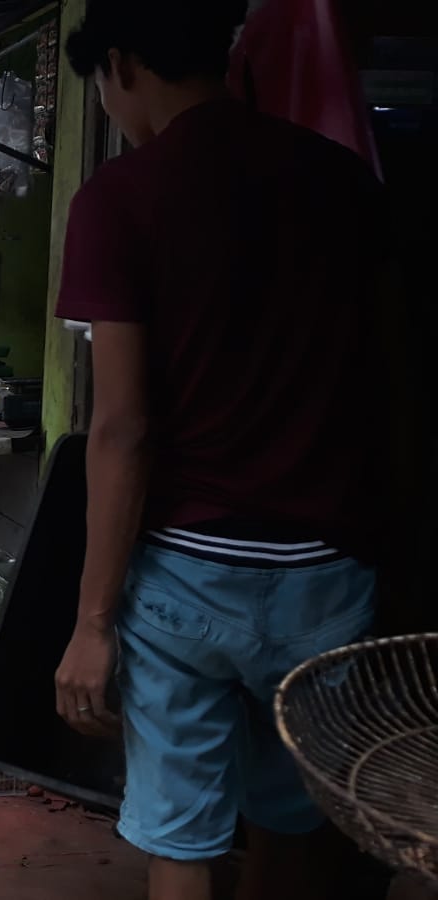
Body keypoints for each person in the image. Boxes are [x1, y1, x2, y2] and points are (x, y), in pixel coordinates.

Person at [50, 4, 387, 900]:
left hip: (186, 579)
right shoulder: (342, 181)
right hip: (328, 573)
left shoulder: (119, 199)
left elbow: (123, 426)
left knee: (183, 842)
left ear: (121, 65)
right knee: (293, 818)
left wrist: (91, 624)